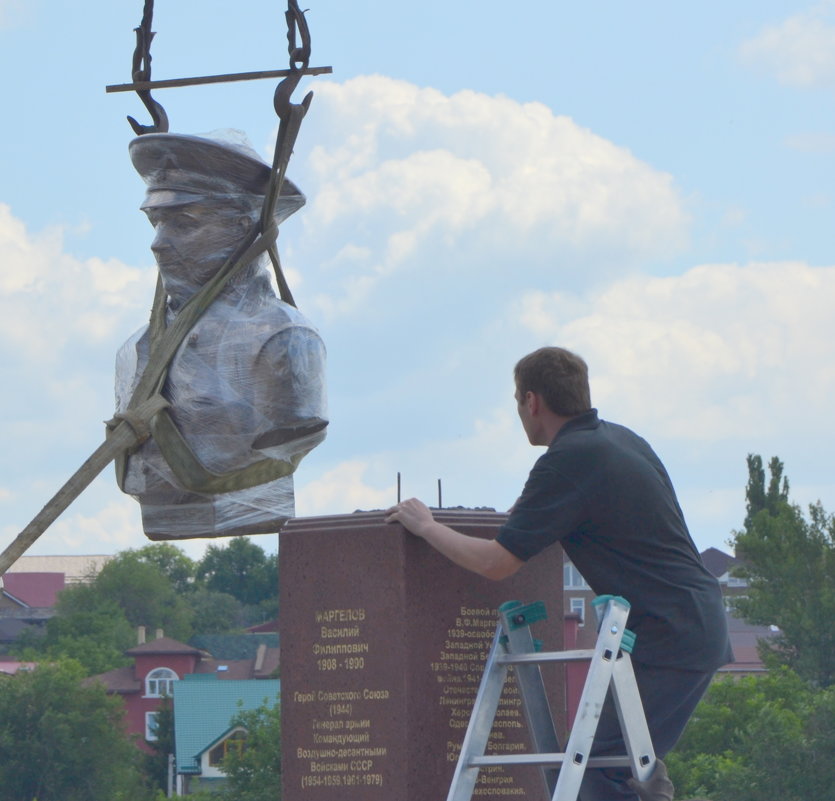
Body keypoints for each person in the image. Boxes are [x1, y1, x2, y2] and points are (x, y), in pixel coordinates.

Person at [386, 346, 731, 801]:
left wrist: (427, 527)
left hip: (671, 634)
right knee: (614, 766)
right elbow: (534, 517)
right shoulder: (620, 441)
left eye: (516, 401)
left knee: (598, 771)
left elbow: (497, 563)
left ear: (532, 401)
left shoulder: (569, 460)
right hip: (688, 623)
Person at [114, 131, 327, 540]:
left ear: (241, 228)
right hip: (164, 519)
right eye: (157, 222)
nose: (158, 244)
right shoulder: (140, 347)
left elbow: (295, 433)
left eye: (184, 222)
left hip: (247, 512)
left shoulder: (285, 339)